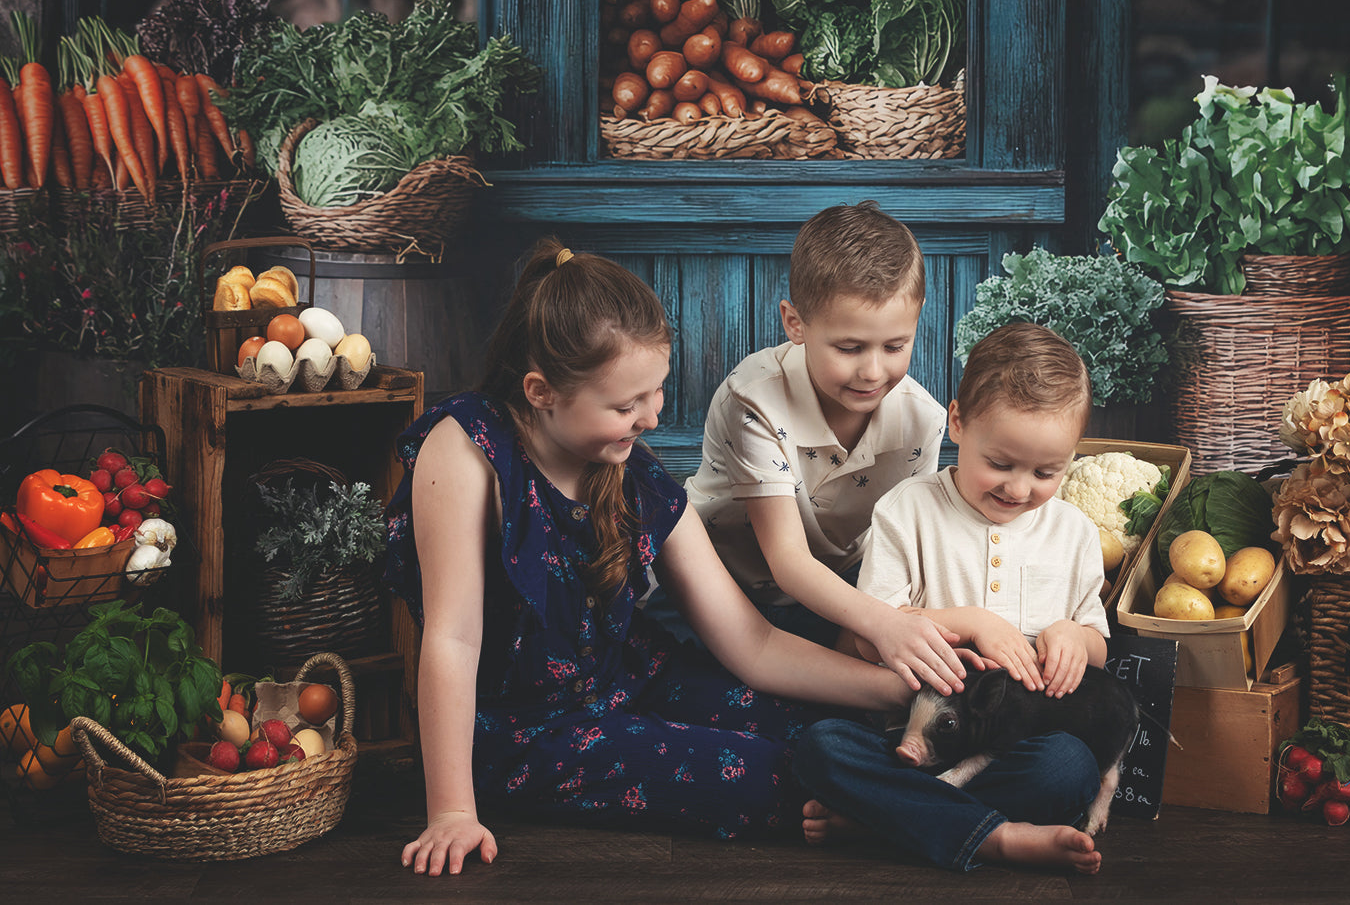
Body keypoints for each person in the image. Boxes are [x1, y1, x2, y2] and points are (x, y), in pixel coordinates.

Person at [385, 238, 943, 877]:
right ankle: (929, 816)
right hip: (525, 731)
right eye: (626, 405)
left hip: (633, 681)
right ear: (541, 391)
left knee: (830, 730)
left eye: (656, 394)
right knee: (783, 776)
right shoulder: (465, 452)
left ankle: (938, 791)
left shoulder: (632, 468)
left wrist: (896, 695)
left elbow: (752, 643)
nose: (650, 418)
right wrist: (451, 811)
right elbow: (451, 641)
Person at [796, 322, 1112, 875]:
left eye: (1045, 472)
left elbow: (1098, 647)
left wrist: (1075, 638)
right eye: (1000, 463)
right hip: (911, 738)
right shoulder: (908, 510)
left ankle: (883, 821)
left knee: (1068, 767)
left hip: (1006, 750)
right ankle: (996, 836)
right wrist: (969, 623)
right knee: (820, 745)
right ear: (959, 422)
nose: (1018, 489)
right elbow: (871, 640)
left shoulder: (1076, 533)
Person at [647, 202, 966, 696]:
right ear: (795, 324)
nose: (873, 371)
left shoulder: (922, 420)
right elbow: (788, 559)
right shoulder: (752, 400)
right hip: (721, 588)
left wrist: (904, 621)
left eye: (895, 346)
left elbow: (904, 538)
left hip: (839, 591)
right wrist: (883, 625)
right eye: (849, 347)